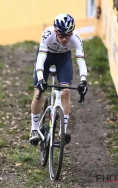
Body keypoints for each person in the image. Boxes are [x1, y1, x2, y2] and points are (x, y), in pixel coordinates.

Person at [29, 14, 88, 146]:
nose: (65, 39)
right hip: (46, 57)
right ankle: (34, 129)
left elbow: (81, 62)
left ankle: (63, 131)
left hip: (63, 59)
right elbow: (40, 61)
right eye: (61, 35)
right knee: (39, 93)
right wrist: (40, 79)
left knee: (65, 92)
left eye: (68, 35)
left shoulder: (76, 39)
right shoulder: (47, 35)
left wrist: (83, 81)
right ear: (56, 31)